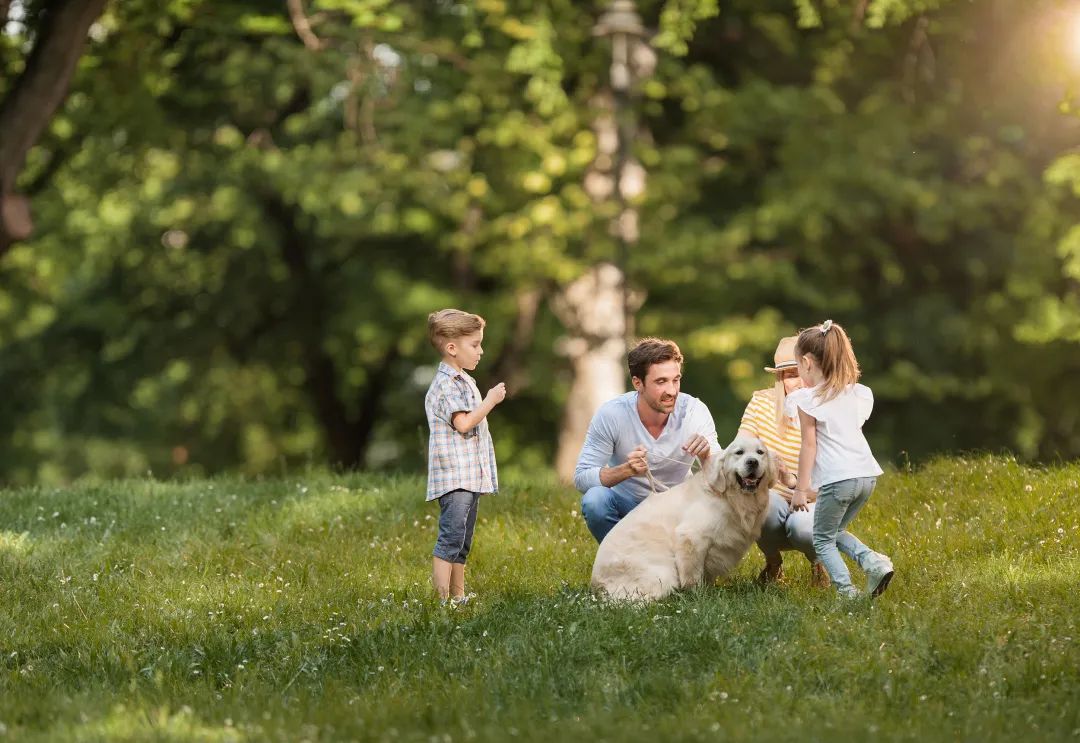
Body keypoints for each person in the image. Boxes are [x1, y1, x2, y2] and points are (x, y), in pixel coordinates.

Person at [785, 319, 894, 598]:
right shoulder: (854, 393)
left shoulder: (807, 399)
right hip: (866, 476)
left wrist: (800, 489)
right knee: (834, 530)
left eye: (797, 365)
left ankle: (847, 592)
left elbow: (809, 446)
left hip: (838, 480)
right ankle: (873, 562)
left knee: (821, 539)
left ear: (807, 363)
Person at [574, 337, 720, 543]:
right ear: (637, 383)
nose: (671, 391)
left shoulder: (694, 411)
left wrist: (707, 456)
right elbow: (581, 478)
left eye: (676, 380)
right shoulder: (612, 414)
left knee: (713, 503)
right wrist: (626, 470)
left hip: (679, 509)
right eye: (661, 382)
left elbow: (722, 477)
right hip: (629, 508)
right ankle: (623, 559)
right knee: (595, 500)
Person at [424, 309, 506, 605]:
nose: (481, 351)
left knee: (462, 540)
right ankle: (441, 601)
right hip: (454, 476)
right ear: (452, 348)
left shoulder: (464, 380)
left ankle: (458, 597)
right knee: (450, 538)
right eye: (475, 344)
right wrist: (490, 401)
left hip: (469, 476)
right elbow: (463, 423)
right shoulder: (447, 384)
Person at [738, 336, 829, 588]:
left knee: (802, 528)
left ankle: (819, 561)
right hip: (772, 497)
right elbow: (739, 448)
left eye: (802, 372)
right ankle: (773, 562)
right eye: (789, 375)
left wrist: (797, 485)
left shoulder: (828, 408)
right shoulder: (762, 403)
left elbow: (833, 477)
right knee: (758, 503)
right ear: (780, 379)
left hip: (814, 498)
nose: (797, 381)